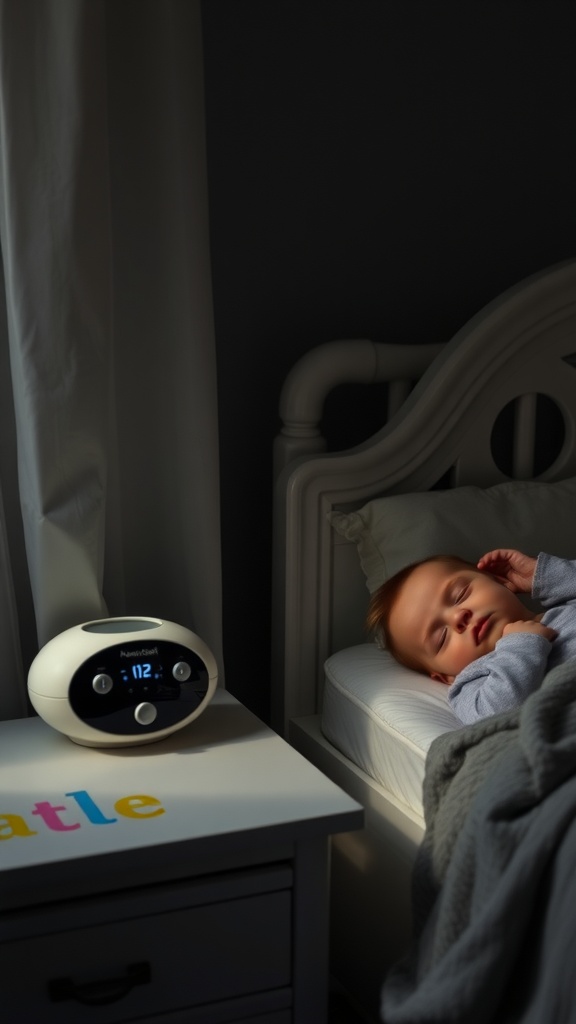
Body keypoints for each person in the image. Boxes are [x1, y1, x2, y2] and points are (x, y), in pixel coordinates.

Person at [366, 549, 576, 724]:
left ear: (496, 580)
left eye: (460, 595)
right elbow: (494, 715)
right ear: (446, 677)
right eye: (441, 637)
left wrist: (543, 577)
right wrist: (520, 646)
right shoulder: (475, 682)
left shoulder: (566, 605)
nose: (458, 616)